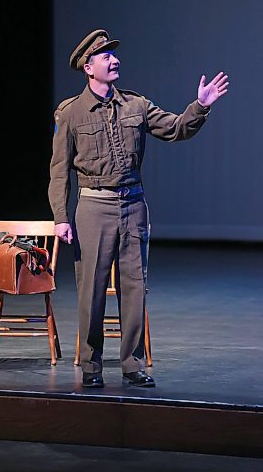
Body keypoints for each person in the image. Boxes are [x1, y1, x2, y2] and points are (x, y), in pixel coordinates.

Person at [48, 29, 228, 388]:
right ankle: (91, 365)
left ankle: (131, 364)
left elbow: (176, 129)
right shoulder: (71, 114)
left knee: (134, 288)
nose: (114, 60)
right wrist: (61, 218)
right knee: (92, 290)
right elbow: (58, 170)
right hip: (93, 208)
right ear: (88, 66)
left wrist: (201, 106)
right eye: (104, 56)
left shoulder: (136, 105)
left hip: (133, 206)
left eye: (114, 54)